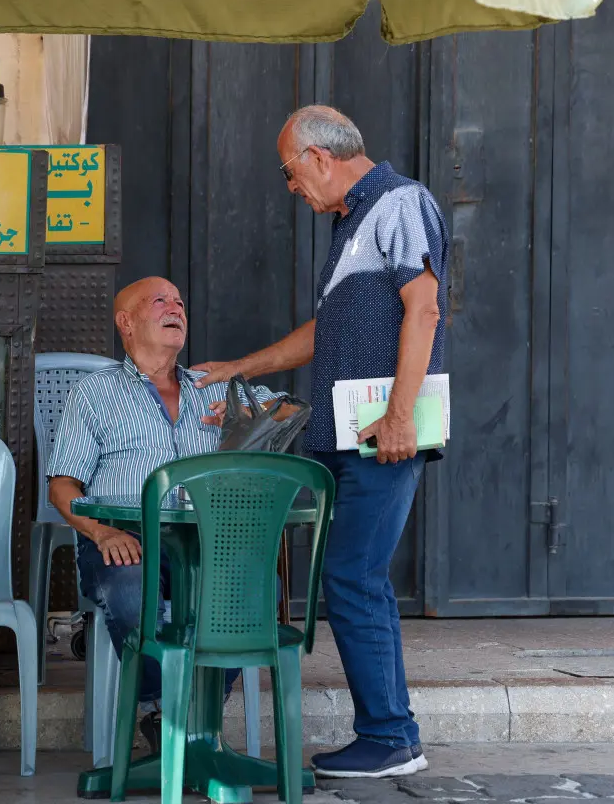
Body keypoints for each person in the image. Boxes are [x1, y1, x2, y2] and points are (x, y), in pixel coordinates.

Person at [194, 105, 449, 779]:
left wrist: (399, 417)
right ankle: (392, 732)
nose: (290, 188)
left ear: (319, 157)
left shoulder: (399, 203)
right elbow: (326, 332)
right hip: (343, 434)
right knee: (352, 575)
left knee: (353, 575)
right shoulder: (352, 222)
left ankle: (391, 737)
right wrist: (239, 369)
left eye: (289, 173)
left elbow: (424, 308)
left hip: (379, 435)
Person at [46, 276, 290, 752]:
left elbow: (289, 414)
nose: (176, 307)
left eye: (180, 300)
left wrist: (247, 421)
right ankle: (166, 712)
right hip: (126, 534)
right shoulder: (94, 393)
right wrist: (98, 532)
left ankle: (195, 715)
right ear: (127, 321)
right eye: (160, 301)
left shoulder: (215, 386)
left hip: (206, 539)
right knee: (130, 590)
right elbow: (61, 486)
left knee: (258, 588)